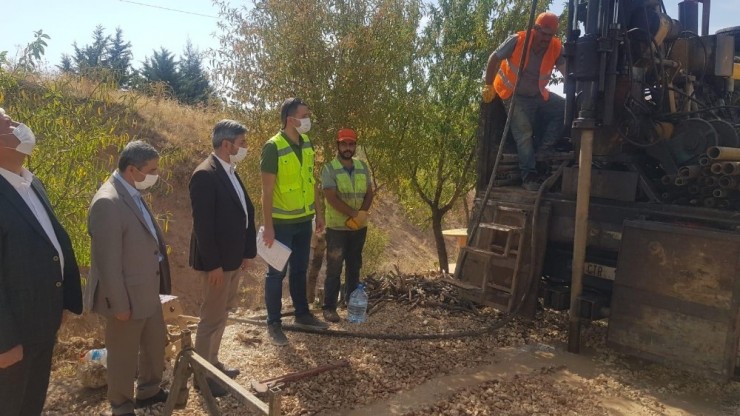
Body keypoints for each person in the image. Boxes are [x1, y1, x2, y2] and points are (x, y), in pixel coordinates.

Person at [0, 109, 83, 415]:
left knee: (32, 403)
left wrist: (62, 302)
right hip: (12, 337)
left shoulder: (33, 184)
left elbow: (51, 245)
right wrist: (3, 342)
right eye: (9, 124)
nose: (20, 127)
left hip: (41, 323)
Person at [86, 140, 172, 416]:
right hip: (126, 296)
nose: (155, 175)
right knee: (123, 355)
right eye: (152, 170)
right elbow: (107, 262)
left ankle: (148, 391)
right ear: (132, 169)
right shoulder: (108, 202)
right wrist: (119, 304)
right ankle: (121, 404)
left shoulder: (131, 192)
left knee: (154, 344)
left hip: (146, 288)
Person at [189, 120, 257, 396]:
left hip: (232, 259)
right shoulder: (205, 174)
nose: (245, 148)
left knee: (222, 314)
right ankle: (202, 376)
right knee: (210, 318)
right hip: (217, 264)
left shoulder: (229, 171)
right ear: (226, 144)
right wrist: (214, 264)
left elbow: (242, 214)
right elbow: (203, 226)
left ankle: (213, 363)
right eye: (242, 143)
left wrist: (245, 252)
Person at [261, 97, 328, 346]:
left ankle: (302, 314)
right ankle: (274, 323)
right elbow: (266, 192)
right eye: (305, 115)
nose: (308, 120)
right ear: (291, 119)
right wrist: (268, 227)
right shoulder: (273, 147)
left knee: (300, 269)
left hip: (304, 220)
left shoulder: (307, 143)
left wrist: (318, 213)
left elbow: (311, 182)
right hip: (281, 223)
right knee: (276, 274)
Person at [482, 11, 566, 191]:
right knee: (524, 133)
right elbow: (493, 58)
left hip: (537, 96)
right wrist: (488, 85)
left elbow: (567, 71)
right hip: (513, 95)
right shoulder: (518, 40)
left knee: (563, 109)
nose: (546, 39)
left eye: (550, 35)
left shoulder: (556, 47)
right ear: (535, 29)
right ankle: (529, 176)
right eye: (543, 33)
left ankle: (544, 150)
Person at [321, 128, 374, 322]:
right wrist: (353, 214)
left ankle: (351, 305)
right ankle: (329, 308)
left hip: (358, 227)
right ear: (338, 145)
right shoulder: (329, 169)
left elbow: (370, 192)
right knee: (334, 268)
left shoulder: (362, 167)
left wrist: (361, 214)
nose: (348, 148)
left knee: (354, 266)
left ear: (355, 146)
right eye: (344, 144)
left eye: (351, 144)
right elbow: (330, 197)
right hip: (337, 228)